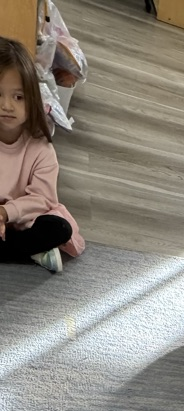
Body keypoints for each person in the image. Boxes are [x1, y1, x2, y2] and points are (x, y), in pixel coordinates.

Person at [0, 38, 84, 273]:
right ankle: (27, 253)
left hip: (25, 219)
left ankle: (20, 249)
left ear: (32, 99)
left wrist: (7, 212)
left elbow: (42, 199)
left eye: (18, 97)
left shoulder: (41, 149)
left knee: (59, 227)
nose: (7, 105)